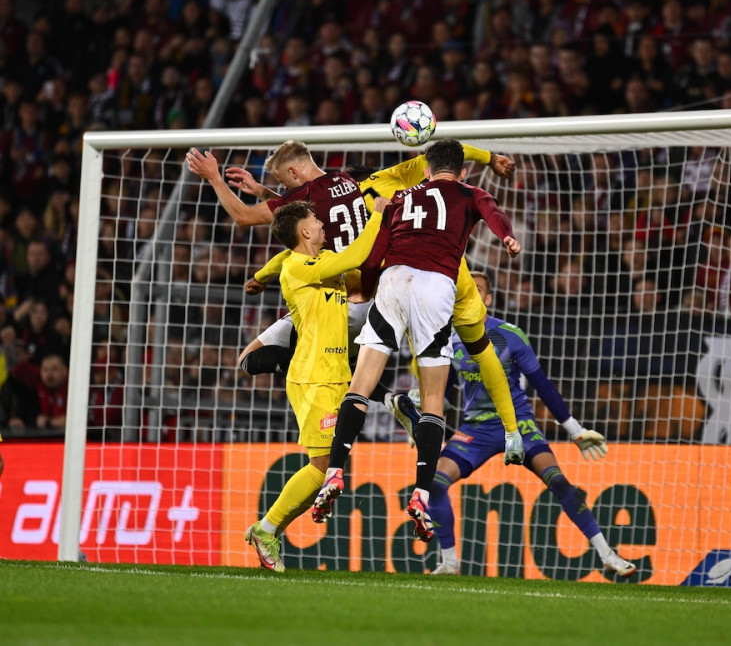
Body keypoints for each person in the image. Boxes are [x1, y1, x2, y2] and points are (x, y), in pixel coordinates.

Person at [187, 140, 524, 449]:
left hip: (336, 301)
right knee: (457, 350)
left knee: (254, 360)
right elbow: (438, 156)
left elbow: (245, 217)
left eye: (283, 183)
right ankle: (398, 401)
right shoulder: (354, 182)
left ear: (293, 172)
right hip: (386, 293)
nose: (284, 190)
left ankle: (365, 403)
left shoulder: (305, 202)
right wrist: (491, 158)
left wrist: (215, 178)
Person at [311, 139, 522, 542]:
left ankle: (335, 470)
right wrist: (507, 237)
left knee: (362, 382)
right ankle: (422, 494)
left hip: (393, 280)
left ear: (426, 170)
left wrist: (367, 288)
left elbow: (374, 253)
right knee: (432, 401)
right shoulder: (470, 192)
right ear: (461, 172)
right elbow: (493, 213)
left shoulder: (399, 198)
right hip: (435, 285)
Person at [428, 270, 636, 577]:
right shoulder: (447, 338)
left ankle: (608, 555)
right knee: (435, 483)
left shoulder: (509, 335)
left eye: (477, 290)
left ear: (488, 299)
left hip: (520, 424)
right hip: (476, 428)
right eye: (463, 290)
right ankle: (449, 563)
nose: (467, 294)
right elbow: (443, 394)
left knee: (560, 482)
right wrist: (424, 424)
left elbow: (543, 385)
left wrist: (575, 431)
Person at [242, 198, 386, 573]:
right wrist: (378, 215)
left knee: (328, 467)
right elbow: (355, 256)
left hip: (337, 374)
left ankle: (268, 530)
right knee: (322, 467)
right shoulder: (300, 267)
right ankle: (267, 528)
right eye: (316, 220)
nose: (323, 224)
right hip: (312, 378)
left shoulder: (322, 266)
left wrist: (260, 275)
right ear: (304, 232)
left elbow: (361, 266)